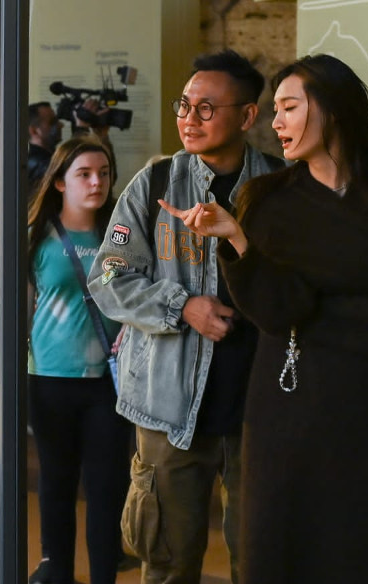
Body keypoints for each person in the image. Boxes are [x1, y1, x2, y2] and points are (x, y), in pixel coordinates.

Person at [158, 54, 368, 584]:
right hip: (285, 412)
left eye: (289, 108)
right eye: (275, 111)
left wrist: (313, 315)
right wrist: (238, 240)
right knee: (282, 552)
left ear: (334, 111)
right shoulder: (266, 200)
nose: (276, 123)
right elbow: (274, 313)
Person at [90, 49, 280, 584]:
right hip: (168, 409)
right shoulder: (152, 187)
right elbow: (107, 278)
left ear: (247, 116)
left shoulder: (281, 189)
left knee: (263, 559)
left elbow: (303, 287)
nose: (188, 120)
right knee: (169, 564)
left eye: (205, 108)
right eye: (184, 105)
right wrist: (182, 306)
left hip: (259, 410)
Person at [27, 136, 131, 584]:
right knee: (57, 482)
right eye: (84, 174)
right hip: (49, 379)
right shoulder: (37, 237)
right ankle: (57, 571)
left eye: (104, 173)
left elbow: (125, 295)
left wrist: (130, 325)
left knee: (108, 488)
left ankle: (105, 573)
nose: (96, 183)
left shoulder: (121, 234)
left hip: (106, 381)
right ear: (59, 183)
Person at [27, 101, 62, 188]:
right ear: (34, 131)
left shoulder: (52, 156)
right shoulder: (38, 164)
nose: (61, 125)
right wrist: (81, 129)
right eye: (52, 122)